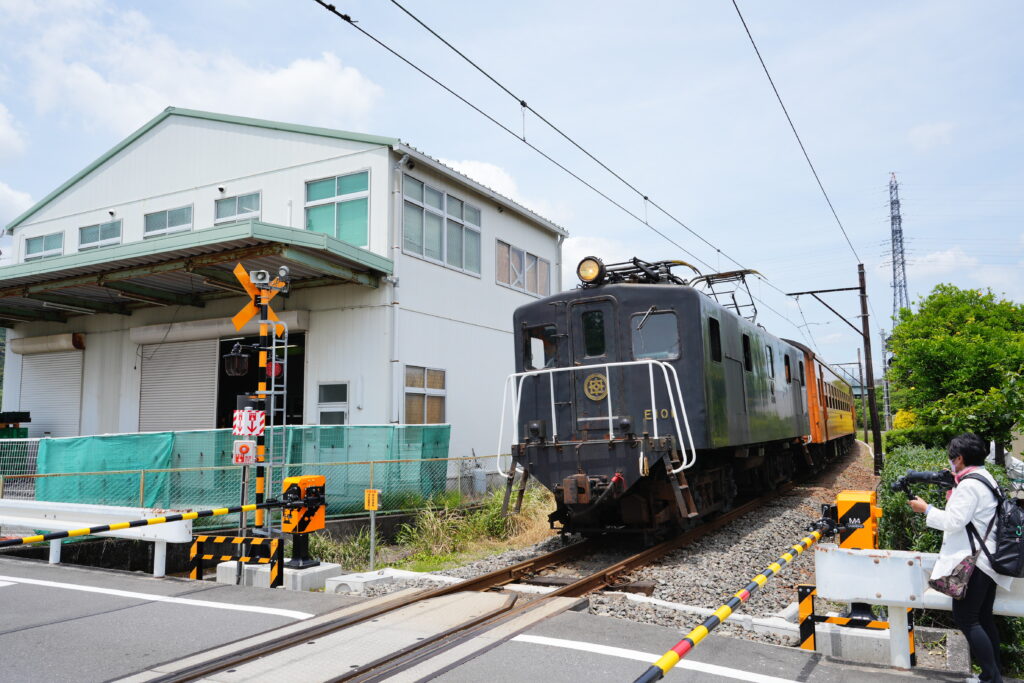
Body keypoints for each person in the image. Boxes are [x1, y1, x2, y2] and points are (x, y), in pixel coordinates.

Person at [908, 433, 1012, 683]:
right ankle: (992, 673)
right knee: (983, 618)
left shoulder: (969, 484)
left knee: (966, 619)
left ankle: (991, 678)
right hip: (987, 560)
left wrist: (926, 509)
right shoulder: (985, 478)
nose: (951, 463)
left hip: (974, 562)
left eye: (952, 458)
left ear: (960, 458)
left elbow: (954, 521)